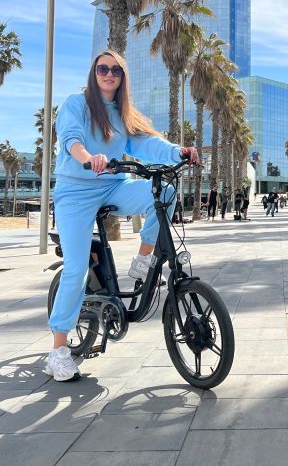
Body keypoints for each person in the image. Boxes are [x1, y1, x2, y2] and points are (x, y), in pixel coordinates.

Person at [45, 50, 199, 382]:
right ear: (94, 73)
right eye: (103, 68)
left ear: (123, 77)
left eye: (116, 69)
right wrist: (88, 157)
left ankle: (144, 258)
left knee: (165, 193)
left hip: (113, 185)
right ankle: (58, 351)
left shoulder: (123, 113)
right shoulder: (77, 103)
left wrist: (179, 152)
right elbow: (71, 138)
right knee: (76, 268)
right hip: (75, 190)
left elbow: (148, 144)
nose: (109, 73)